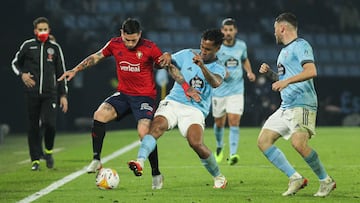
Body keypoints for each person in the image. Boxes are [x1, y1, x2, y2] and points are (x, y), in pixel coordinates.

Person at [58, 18, 171, 190]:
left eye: (134, 40)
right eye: (127, 39)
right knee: (99, 115)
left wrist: (165, 61)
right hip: (124, 95)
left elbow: (162, 63)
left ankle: (156, 173)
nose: (130, 43)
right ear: (121, 34)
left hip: (144, 98)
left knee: (143, 133)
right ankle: (96, 159)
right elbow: (96, 57)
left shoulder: (150, 47)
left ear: (140, 35)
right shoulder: (114, 44)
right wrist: (75, 69)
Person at [128, 29, 228, 189]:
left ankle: (218, 176)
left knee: (196, 143)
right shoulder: (187, 54)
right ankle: (140, 161)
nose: (203, 51)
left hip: (195, 110)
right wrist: (167, 56)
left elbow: (215, 82)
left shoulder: (219, 67)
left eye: (208, 49)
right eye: (202, 46)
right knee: (157, 126)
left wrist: (202, 67)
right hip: (173, 102)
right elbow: (166, 61)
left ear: (217, 48)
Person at [257, 12, 336, 197]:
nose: (274, 33)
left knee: (298, 143)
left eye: (275, 29)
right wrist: (271, 74)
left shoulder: (301, 45)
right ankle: (295, 178)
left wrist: (286, 82)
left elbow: (311, 70)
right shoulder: (283, 51)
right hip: (286, 106)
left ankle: (326, 181)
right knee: (263, 141)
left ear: (282, 28)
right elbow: (284, 79)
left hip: (303, 103)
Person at [11, 17, 68, 171]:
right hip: (32, 93)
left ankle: (48, 152)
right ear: (35, 31)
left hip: (50, 93)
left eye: (45, 29)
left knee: (50, 124)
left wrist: (63, 95)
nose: (43, 32)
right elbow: (15, 63)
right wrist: (22, 74)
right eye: (40, 29)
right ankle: (35, 159)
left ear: (49, 30)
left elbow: (61, 72)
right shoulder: (28, 46)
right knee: (33, 127)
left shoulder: (54, 48)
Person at [212, 18, 256, 165]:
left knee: (234, 121)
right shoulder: (217, 47)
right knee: (219, 123)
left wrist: (249, 72)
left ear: (235, 31)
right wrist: (221, 71)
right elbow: (210, 64)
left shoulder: (241, 45)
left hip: (236, 90)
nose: (228, 33)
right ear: (221, 31)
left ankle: (233, 154)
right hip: (219, 91)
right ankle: (219, 147)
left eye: (231, 30)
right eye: (225, 30)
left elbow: (244, 59)